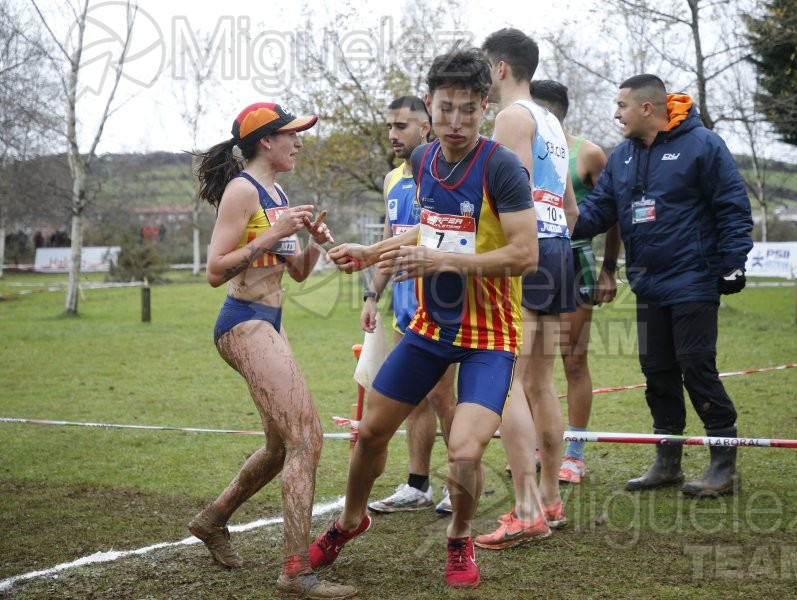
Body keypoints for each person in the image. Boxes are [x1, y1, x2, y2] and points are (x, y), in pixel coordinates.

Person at [309, 44, 538, 589]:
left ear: (484, 107)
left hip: (489, 336)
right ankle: (350, 520)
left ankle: (459, 538)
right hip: (431, 328)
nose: (455, 121)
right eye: (445, 108)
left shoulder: (501, 166)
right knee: (370, 432)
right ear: (429, 107)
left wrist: (443, 262)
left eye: (468, 110)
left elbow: (525, 254)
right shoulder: (422, 161)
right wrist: (372, 252)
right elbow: (429, 227)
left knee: (464, 450)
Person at [190, 102, 356, 598]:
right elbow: (214, 270)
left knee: (281, 446)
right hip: (242, 322)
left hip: (270, 322)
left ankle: (212, 519)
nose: (299, 142)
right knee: (308, 439)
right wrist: (273, 233)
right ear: (266, 141)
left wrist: (313, 242)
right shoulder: (242, 191)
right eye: (291, 135)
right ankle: (296, 571)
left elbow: (297, 273)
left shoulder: (278, 193)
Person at [573, 74, 753, 498]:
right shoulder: (622, 156)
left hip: (694, 278)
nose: (616, 114)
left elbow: (732, 205)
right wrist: (553, 224)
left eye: (621, 105)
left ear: (646, 108)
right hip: (648, 283)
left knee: (696, 367)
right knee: (657, 371)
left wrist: (733, 263)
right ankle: (667, 461)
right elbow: (598, 211)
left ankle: (723, 464)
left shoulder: (704, 144)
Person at [472, 28, 577, 550]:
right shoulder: (551, 120)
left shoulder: (511, 117)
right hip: (558, 250)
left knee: (508, 378)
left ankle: (528, 509)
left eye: (483, 67)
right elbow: (570, 207)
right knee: (541, 382)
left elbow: (505, 195)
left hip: (527, 252)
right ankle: (550, 499)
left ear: (500, 68)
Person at [364, 96, 457, 516]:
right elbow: (390, 240)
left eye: (400, 126)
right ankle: (417, 485)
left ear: (425, 127)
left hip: (441, 306)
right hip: (404, 309)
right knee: (413, 398)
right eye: (389, 126)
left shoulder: (444, 175)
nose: (392, 134)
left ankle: (458, 482)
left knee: (442, 396)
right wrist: (372, 295)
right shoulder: (391, 179)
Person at [530, 79, 622, 485]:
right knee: (533, 363)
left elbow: (613, 213)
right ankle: (541, 444)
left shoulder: (587, 153)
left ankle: (575, 453)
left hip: (575, 259)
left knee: (573, 359)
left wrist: (609, 269)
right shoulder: (518, 152)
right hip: (531, 260)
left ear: (550, 113)